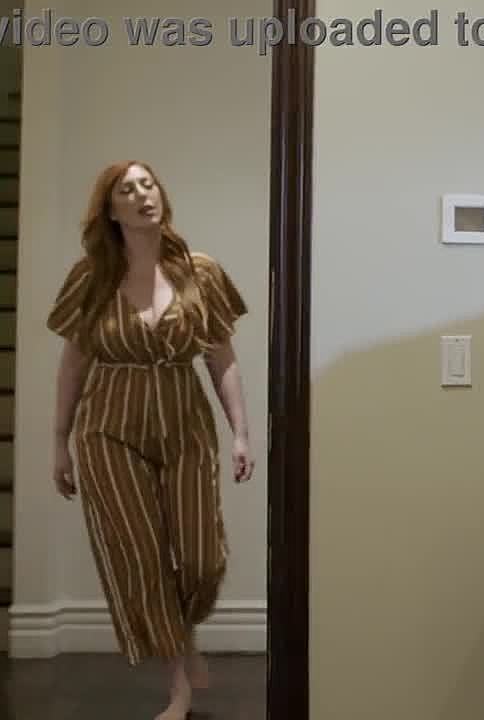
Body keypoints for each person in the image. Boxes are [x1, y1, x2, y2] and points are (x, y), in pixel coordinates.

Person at [47, 160, 254, 720]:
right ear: (111, 210)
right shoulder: (91, 276)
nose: (143, 194)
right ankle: (178, 684)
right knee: (139, 556)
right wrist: (59, 440)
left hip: (185, 420)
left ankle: (183, 633)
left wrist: (240, 432)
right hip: (107, 426)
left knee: (203, 559)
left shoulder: (200, 271)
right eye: (127, 189)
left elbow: (221, 357)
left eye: (148, 184)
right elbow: (73, 363)